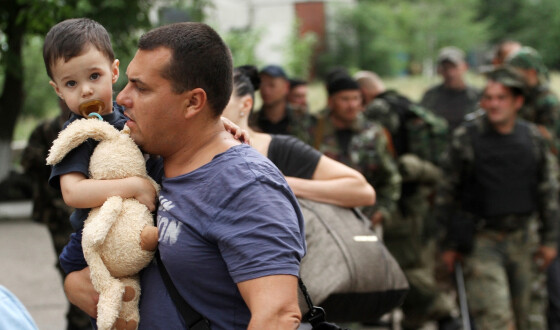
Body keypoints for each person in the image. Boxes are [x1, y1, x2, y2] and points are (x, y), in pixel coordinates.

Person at [62, 22, 306, 329]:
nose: (122, 97)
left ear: (193, 102)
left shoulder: (245, 184)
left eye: (141, 87)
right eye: (126, 83)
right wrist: (75, 281)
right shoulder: (153, 162)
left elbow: (278, 317)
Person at [436, 67, 559, 330]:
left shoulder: (534, 138)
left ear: (518, 102)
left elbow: (548, 191)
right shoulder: (466, 139)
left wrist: (550, 240)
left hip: (525, 239)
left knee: (531, 320)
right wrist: (447, 244)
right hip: (482, 241)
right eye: (488, 98)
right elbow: (447, 192)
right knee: (496, 320)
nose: (493, 104)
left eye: (501, 98)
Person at [355, 70, 459, 330]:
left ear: (364, 94)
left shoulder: (377, 111)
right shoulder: (409, 105)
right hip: (419, 203)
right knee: (412, 267)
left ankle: (444, 313)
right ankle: (432, 317)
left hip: (394, 207)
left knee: (399, 270)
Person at [223, 65, 375, 208]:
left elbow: (362, 190)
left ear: (245, 104)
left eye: (221, 98)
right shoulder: (201, 149)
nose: (209, 105)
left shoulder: (280, 147)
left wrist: (279, 183)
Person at [19, 98, 91, 330]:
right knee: (71, 268)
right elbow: (27, 161)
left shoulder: (91, 128)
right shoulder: (46, 130)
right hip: (57, 215)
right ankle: (78, 322)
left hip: (86, 212)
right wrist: (59, 157)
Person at [311, 72, 401, 230]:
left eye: (356, 98)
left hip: (366, 219)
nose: (351, 105)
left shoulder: (374, 133)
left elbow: (390, 177)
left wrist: (383, 211)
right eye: (345, 99)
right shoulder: (313, 130)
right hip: (324, 220)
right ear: (331, 102)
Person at [249, 64, 316, 143]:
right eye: (262, 85)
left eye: (272, 85)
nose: (265, 90)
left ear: (286, 87)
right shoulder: (250, 120)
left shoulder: (303, 118)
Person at [421, 46, 480, 132]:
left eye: (454, 67)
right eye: (445, 68)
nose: (450, 73)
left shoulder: (477, 96)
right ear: (439, 70)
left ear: (465, 67)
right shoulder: (430, 96)